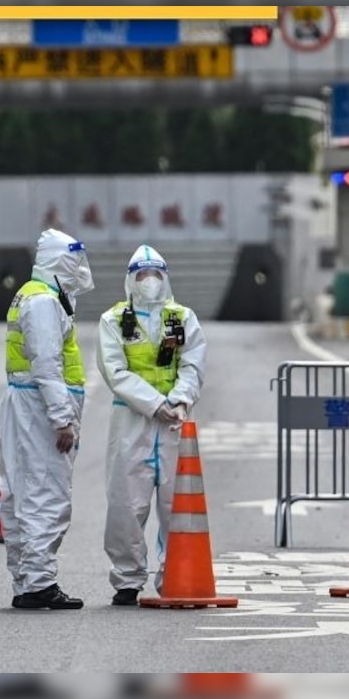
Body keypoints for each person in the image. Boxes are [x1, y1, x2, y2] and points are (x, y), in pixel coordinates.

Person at [96, 245, 206, 606]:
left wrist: (178, 400)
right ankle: (127, 579)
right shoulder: (114, 320)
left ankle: (174, 574)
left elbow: (193, 364)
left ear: (165, 277)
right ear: (131, 279)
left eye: (155, 275)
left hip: (173, 423)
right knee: (126, 502)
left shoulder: (183, 317)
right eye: (142, 275)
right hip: (131, 421)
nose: (149, 282)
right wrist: (154, 403)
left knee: (177, 503)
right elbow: (115, 371)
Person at [0, 228, 94, 610]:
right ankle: (38, 582)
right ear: (57, 260)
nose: (78, 268)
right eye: (72, 260)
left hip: (26, 403)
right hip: (38, 407)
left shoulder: (37, 294)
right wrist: (62, 419)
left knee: (23, 491)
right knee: (45, 494)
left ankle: (26, 580)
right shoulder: (42, 303)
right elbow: (47, 364)